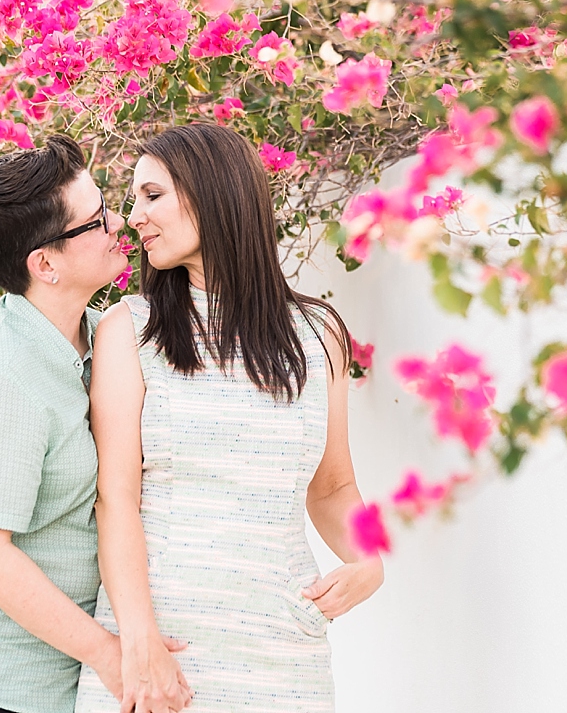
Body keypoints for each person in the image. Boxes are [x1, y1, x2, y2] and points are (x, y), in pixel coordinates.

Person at [74, 124, 384, 713]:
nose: (133, 217)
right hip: (164, 644)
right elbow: (116, 499)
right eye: (133, 198)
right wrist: (139, 642)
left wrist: (369, 559)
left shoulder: (319, 336)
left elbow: (333, 486)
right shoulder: (130, 329)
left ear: (212, 191)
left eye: (152, 195)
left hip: (281, 650)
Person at [0, 136, 191, 713]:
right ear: (45, 263)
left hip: (66, 685)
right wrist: (112, 655)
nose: (120, 223)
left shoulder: (101, 337)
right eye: (96, 221)